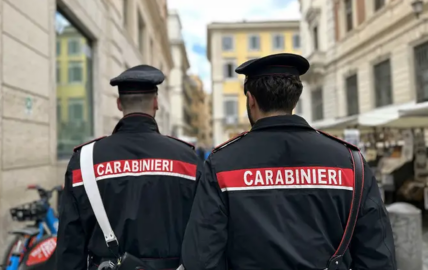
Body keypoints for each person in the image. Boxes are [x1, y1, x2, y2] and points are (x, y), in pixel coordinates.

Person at [181, 54, 396, 270]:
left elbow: (202, 257)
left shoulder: (221, 164)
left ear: (251, 99)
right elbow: (377, 255)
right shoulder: (351, 161)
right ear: (295, 99)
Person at [57, 65, 202, 270]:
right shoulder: (187, 159)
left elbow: (70, 246)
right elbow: (202, 235)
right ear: (156, 103)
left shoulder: (84, 161)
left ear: (119, 104)